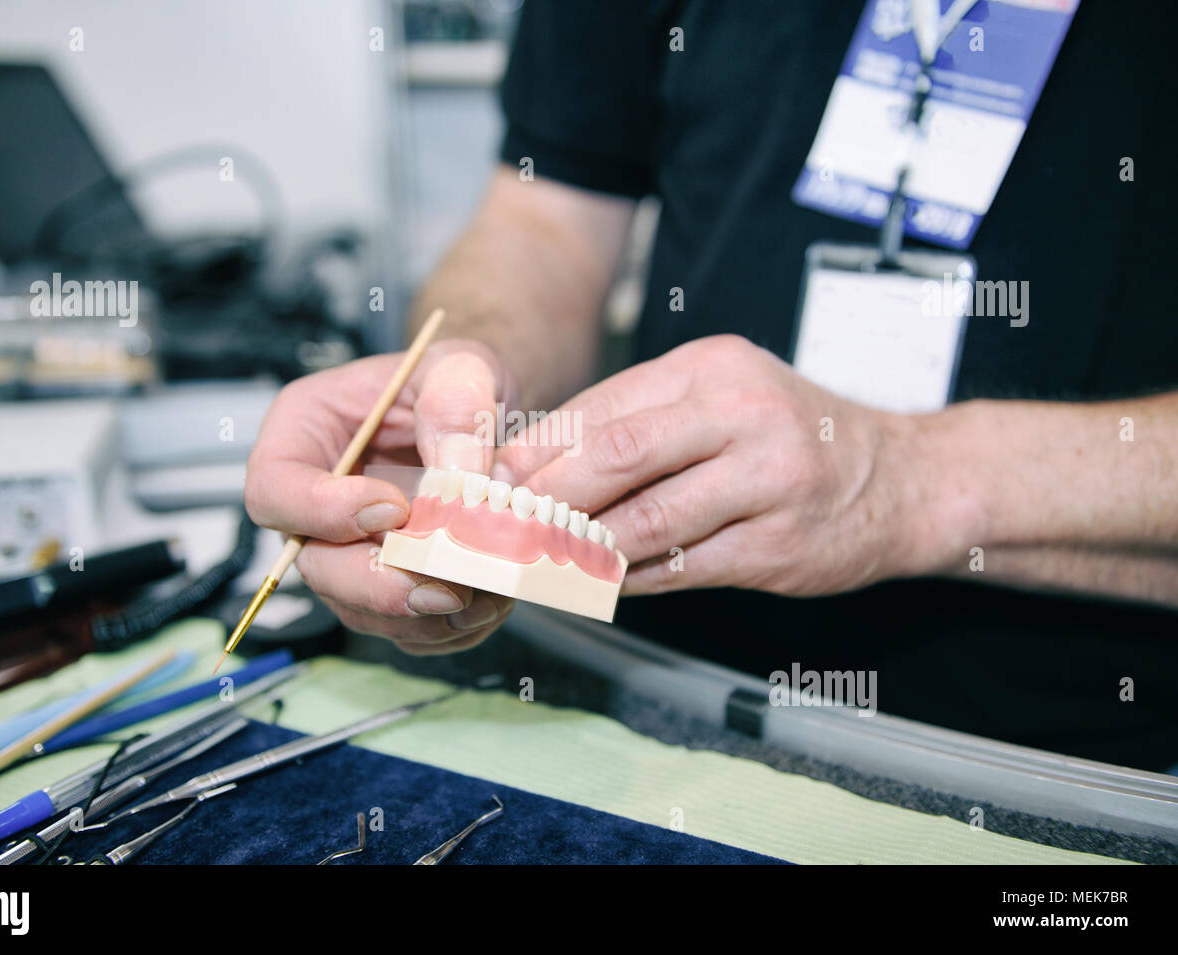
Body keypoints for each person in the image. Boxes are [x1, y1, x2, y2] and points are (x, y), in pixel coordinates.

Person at [245, 1, 1178, 770]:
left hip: (1089, 763)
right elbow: (545, 224)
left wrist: (911, 480)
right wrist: (468, 387)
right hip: (650, 683)